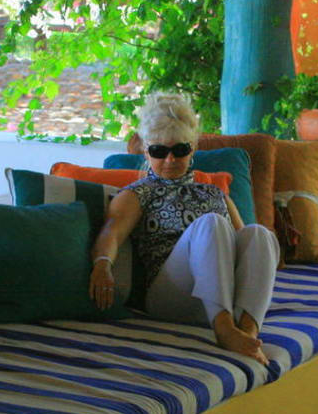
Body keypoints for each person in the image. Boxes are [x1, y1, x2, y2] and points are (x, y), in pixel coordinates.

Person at [89, 91, 279, 366]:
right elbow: (112, 232)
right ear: (146, 150)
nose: (170, 160)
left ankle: (247, 332)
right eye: (159, 151)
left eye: (179, 150)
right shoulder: (138, 193)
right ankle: (224, 330)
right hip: (170, 297)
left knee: (259, 233)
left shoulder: (214, 194)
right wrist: (102, 264)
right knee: (211, 223)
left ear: (192, 149)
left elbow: (245, 248)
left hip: (224, 293)